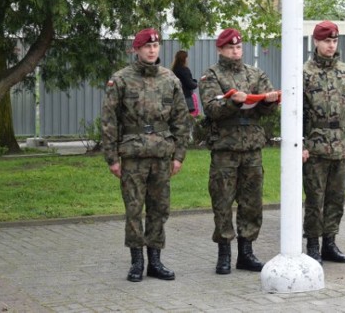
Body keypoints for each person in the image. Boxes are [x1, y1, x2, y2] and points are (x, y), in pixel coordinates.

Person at [101, 28, 190, 282]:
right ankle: (136, 262)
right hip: (133, 155)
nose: (152, 50)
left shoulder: (170, 79)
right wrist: (112, 158)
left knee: (159, 209)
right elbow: (109, 121)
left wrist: (179, 156)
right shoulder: (120, 79)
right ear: (136, 49)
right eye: (146, 46)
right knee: (133, 209)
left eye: (155, 46)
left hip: (162, 154)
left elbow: (181, 121)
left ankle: (156, 261)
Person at [198, 28, 280, 275]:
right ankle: (224, 254)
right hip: (226, 148)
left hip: (252, 148)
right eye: (230, 47)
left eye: (238, 47)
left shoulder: (255, 73)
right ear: (220, 49)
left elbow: (268, 107)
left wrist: (269, 101)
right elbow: (212, 108)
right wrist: (233, 101)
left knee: (251, 202)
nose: (235, 51)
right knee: (222, 202)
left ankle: (246, 252)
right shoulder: (211, 76)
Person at [302, 20, 345, 265]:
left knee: (336, 198)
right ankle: (312, 245)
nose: (331, 45)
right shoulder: (305, 73)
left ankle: (330, 242)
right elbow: (297, 112)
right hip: (315, 145)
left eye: (334, 41)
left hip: (341, 144)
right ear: (316, 42)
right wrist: (301, 144)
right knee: (315, 199)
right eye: (326, 41)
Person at [171, 50, 199, 114]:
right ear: (184, 59)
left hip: (176, 98)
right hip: (186, 98)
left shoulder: (174, 70)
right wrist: (196, 83)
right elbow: (189, 84)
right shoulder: (184, 70)